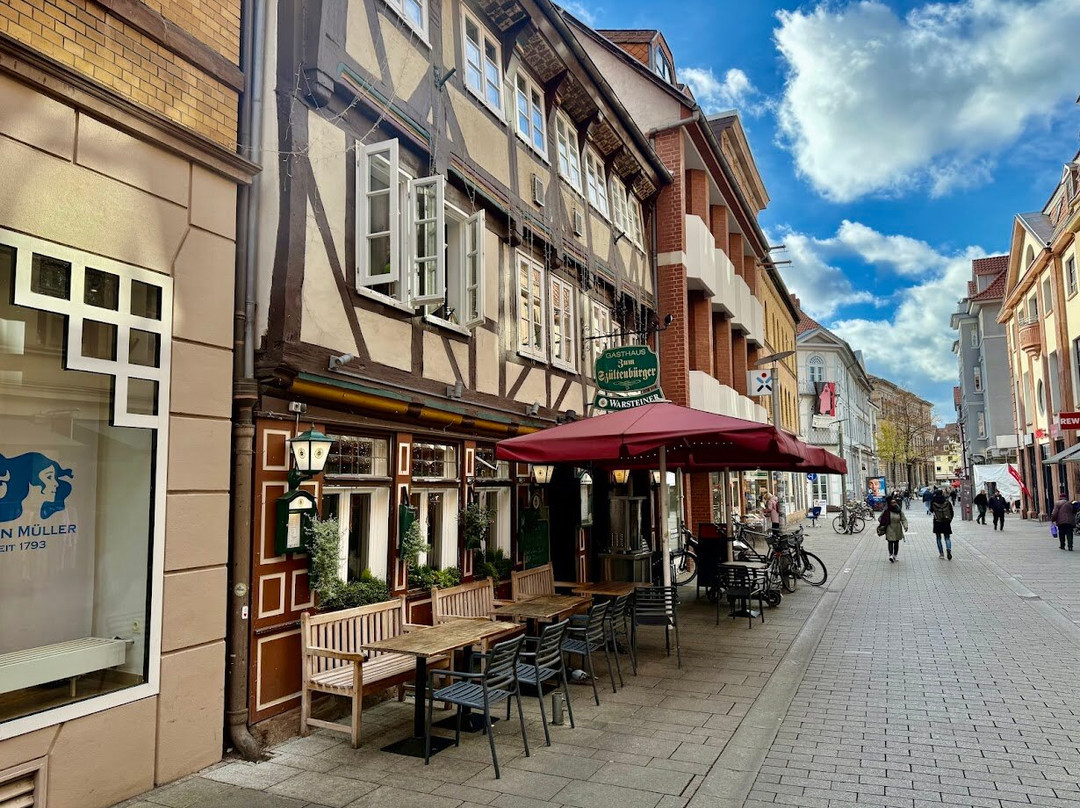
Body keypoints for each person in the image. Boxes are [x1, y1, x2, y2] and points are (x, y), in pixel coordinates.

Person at [880, 496, 908, 562]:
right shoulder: (886, 511)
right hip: (889, 527)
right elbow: (880, 518)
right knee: (890, 541)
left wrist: (905, 526)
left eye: (895, 502)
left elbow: (903, 519)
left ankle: (895, 555)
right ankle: (891, 555)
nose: (894, 504)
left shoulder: (899, 511)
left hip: (897, 528)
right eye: (892, 503)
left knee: (896, 542)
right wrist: (884, 521)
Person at [930, 489, 954, 560]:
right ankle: (948, 549)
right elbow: (951, 512)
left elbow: (931, 510)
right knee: (947, 538)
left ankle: (941, 554)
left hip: (937, 521)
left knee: (938, 538)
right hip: (946, 521)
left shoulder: (933, 502)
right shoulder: (947, 502)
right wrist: (949, 520)